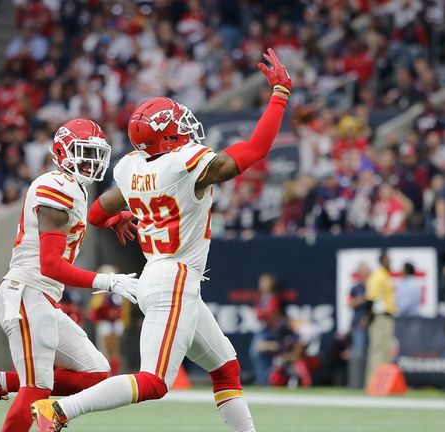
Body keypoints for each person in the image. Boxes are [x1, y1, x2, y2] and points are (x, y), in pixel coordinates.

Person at [32, 48, 292, 432]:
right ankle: (58, 410)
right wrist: (280, 95)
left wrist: (121, 215)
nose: (186, 129)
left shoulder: (131, 166)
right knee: (154, 382)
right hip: (174, 281)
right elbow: (255, 150)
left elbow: (96, 214)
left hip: (163, 274)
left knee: (226, 369)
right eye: (177, 125)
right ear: (168, 135)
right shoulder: (183, 165)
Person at [0, 118, 139, 431]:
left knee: (96, 373)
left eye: (95, 153)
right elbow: (51, 265)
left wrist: (112, 219)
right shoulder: (56, 189)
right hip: (29, 290)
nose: (90, 160)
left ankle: (0, 381)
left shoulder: (73, 189)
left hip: (41, 295)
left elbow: (84, 220)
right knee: (37, 387)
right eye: (83, 152)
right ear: (62, 151)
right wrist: (109, 281)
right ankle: (7, 386)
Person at [88, 265, 128, 375]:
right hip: (105, 322)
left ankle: (112, 372)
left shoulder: (116, 293)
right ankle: (107, 372)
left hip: (112, 323)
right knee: (104, 349)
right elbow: (94, 307)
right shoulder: (101, 292)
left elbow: (121, 309)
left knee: (112, 350)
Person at [364, 251, 396, 387]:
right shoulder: (378, 275)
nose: (390, 263)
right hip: (379, 317)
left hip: (386, 316)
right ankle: (373, 383)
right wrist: (368, 317)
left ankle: (383, 383)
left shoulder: (385, 276)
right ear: (382, 261)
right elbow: (371, 298)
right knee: (377, 350)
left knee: (385, 351)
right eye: (387, 260)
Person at [249, 273, 283, 385]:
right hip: (262, 330)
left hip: (268, 331)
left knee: (258, 352)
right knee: (256, 354)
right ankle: (263, 378)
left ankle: (265, 380)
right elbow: (258, 313)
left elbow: (269, 315)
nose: (263, 284)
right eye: (262, 282)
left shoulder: (272, 298)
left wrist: (262, 314)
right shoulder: (262, 298)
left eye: (266, 282)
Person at [347, 263, 371, 389]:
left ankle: (370, 383)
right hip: (358, 324)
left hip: (372, 324)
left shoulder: (373, 286)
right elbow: (349, 304)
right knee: (358, 353)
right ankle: (357, 383)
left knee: (372, 354)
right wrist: (359, 300)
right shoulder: (355, 288)